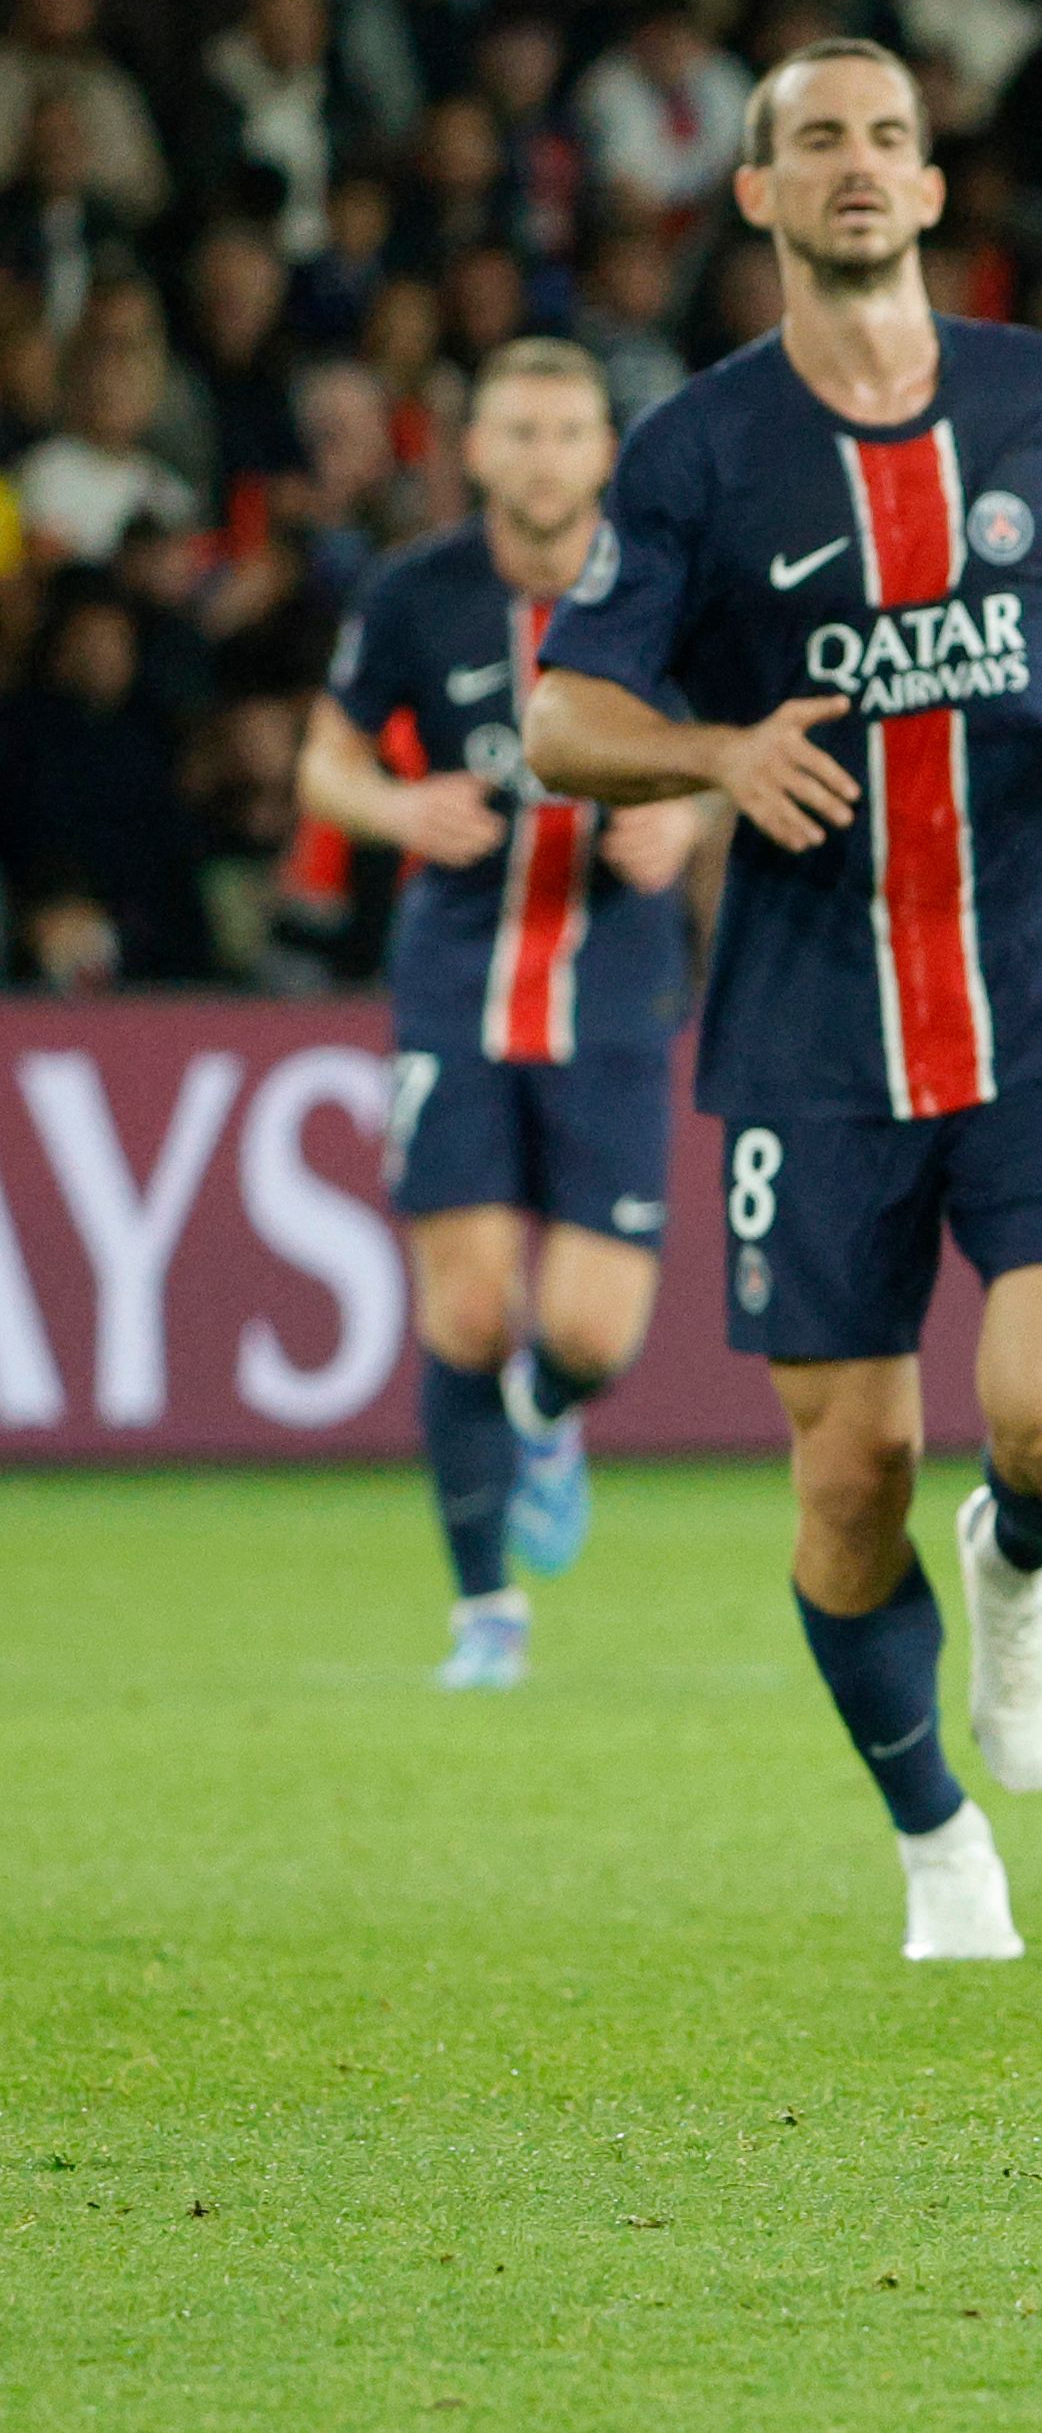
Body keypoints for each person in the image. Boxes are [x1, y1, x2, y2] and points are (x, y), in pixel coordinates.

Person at [525, 39, 1042, 1964]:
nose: (855, 163)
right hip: (817, 1032)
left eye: (887, 137)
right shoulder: (695, 452)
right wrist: (715, 755)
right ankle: (935, 1840)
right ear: (753, 194)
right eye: (813, 137)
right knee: (851, 1479)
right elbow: (565, 717)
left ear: (925, 187)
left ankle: (1018, 1564)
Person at [294, 339, 705, 1690]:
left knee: (591, 1334)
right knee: (466, 1310)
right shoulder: (417, 595)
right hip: (456, 984)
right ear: (475, 451)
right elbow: (327, 760)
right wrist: (396, 809)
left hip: (618, 984)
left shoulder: (658, 586)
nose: (540, 457)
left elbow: (734, 739)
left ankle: (546, 1418)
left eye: (566, 432)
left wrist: (687, 817)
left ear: (605, 452)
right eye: (515, 432)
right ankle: (485, 1614)